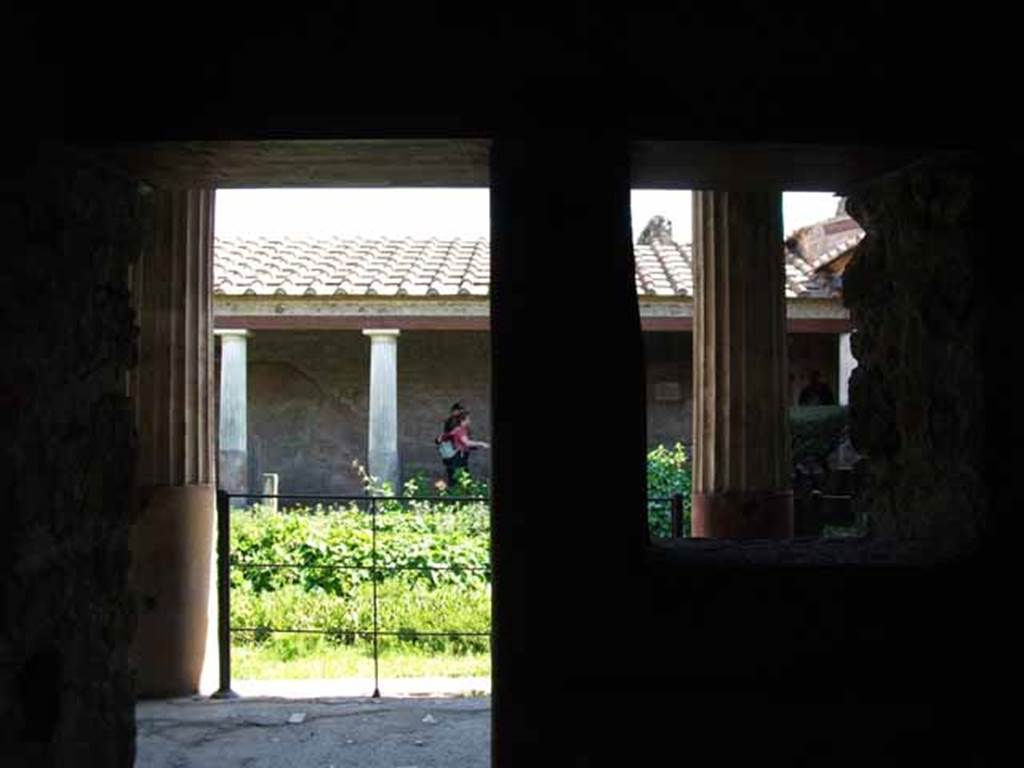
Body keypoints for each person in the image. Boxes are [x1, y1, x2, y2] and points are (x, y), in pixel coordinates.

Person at [438, 408, 489, 487]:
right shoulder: (460, 430)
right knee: (460, 480)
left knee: (456, 479)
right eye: (468, 419)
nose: (469, 421)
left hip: (456, 458)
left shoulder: (457, 429)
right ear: (463, 420)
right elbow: (466, 442)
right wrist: (481, 443)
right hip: (458, 458)